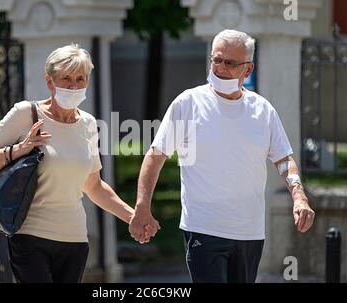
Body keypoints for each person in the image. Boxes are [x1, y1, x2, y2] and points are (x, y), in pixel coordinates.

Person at [128, 29, 315, 283]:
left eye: (230, 63)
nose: (220, 68)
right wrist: (142, 207)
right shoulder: (187, 103)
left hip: (249, 232)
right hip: (203, 229)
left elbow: (283, 158)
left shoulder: (262, 110)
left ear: (247, 70)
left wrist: (299, 197)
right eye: (216, 59)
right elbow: (156, 155)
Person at [0, 44, 155, 283]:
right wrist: (20, 149)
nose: (73, 85)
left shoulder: (88, 124)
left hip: (74, 240)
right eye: (66, 78)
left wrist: (134, 217)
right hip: (30, 236)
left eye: (80, 79)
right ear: (50, 82)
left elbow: (93, 186)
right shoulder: (26, 114)